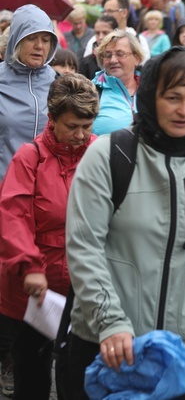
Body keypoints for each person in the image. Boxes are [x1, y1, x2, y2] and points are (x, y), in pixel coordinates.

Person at [61, 48, 185, 399]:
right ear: (150, 95)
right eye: (173, 97)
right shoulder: (110, 155)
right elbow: (85, 248)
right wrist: (110, 322)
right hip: (110, 346)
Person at [0, 73, 99, 399]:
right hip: (35, 289)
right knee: (32, 374)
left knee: (80, 373)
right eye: (72, 126)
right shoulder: (30, 157)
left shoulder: (98, 152)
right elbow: (13, 216)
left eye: (87, 126)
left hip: (84, 284)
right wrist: (29, 266)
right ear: (52, 119)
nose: (81, 135)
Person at [0, 4, 57, 182]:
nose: (39, 46)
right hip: (4, 187)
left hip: (45, 189)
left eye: (46, 40)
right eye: (31, 38)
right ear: (16, 40)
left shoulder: (59, 82)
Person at [92, 29, 144, 135]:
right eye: (108, 55)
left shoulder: (150, 89)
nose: (113, 60)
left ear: (137, 58)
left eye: (120, 54)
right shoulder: (90, 91)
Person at [84, 0, 150, 61]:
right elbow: (86, 64)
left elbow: (144, 66)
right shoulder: (96, 39)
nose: (105, 15)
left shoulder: (138, 40)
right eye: (104, 11)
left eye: (110, 11)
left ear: (124, 12)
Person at [78, 15, 118, 80]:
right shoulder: (86, 63)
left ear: (115, 32)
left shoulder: (123, 58)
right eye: (97, 33)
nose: (100, 37)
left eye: (105, 33)